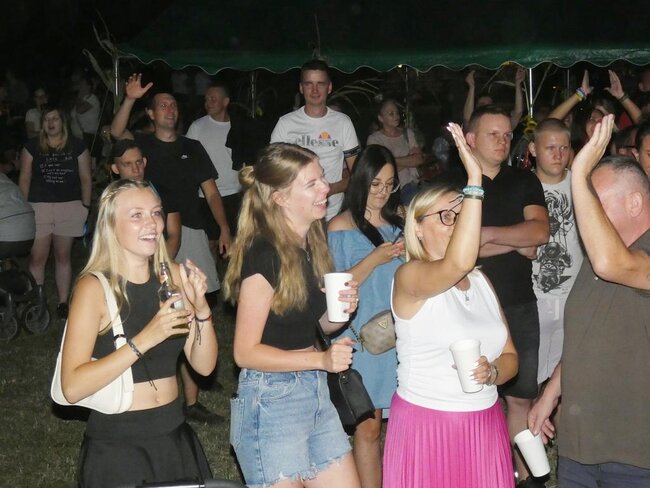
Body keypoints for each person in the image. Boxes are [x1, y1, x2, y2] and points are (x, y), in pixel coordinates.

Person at [383, 123, 518, 488]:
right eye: (446, 217)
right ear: (418, 227)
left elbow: (510, 356)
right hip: (429, 424)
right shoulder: (410, 277)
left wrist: (492, 372)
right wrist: (474, 181)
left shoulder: (481, 281)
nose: (458, 224)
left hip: (484, 421)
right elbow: (456, 263)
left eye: (462, 217)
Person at [58, 178, 216, 487]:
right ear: (110, 225)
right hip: (118, 446)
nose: (152, 223)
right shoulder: (94, 288)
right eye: (136, 215)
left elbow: (204, 366)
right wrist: (145, 339)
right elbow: (72, 388)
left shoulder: (173, 277)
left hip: (174, 437)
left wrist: (201, 310)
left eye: (156, 212)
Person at [224, 143, 361, 488]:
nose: (326, 187)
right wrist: (321, 360)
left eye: (322, 178)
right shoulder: (264, 253)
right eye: (311, 183)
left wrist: (341, 309)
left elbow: (318, 324)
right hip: (271, 400)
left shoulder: (309, 244)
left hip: (314, 392)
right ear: (280, 198)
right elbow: (245, 353)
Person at [528, 114, 650, 487]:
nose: (585, 214)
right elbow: (586, 336)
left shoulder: (620, 257)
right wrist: (551, 393)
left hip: (634, 451)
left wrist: (578, 174)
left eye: (594, 202)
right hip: (580, 445)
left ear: (634, 203)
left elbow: (614, 264)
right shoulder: (594, 259)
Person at [464, 104, 549, 487]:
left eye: (507, 135)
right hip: (467, 306)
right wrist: (514, 239)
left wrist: (484, 235)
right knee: (472, 398)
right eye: (492, 134)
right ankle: (482, 475)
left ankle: (526, 477)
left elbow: (539, 234)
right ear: (470, 139)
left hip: (518, 302)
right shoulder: (454, 182)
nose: (502, 141)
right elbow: (454, 248)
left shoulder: (524, 181)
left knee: (520, 398)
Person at [110, 138, 223, 425]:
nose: (136, 168)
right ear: (115, 168)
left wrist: (161, 272)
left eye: (139, 162)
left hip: (160, 268)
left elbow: (173, 235)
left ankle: (191, 401)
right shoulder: (110, 201)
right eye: (127, 164)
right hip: (126, 275)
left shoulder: (160, 192)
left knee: (179, 329)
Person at [110, 73, 232, 298]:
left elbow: (212, 193)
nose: (170, 110)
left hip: (190, 226)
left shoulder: (193, 147)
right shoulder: (142, 143)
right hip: (150, 227)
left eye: (173, 105)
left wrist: (224, 227)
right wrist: (130, 99)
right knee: (154, 293)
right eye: (163, 106)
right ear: (151, 113)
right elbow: (116, 132)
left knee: (199, 293)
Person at [327, 144, 405, 488]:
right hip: (362, 336)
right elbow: (335, 287)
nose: (382, 192)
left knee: (401, 424)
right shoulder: (340, 226)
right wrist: (375, 258)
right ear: (361, 181)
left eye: (389, 184)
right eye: (376, 184)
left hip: (401, 334)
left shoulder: (400, 222)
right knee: (369, 426)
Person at [18, 105, 92, 319]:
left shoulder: (77, 146)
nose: (51, 123)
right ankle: (37, 301)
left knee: (63, 256)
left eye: (55, 119)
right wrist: (23, 208)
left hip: (69, 207)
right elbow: (24, 178)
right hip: (38, 207)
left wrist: (85, 207)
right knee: (37, 257)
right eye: (46, 119)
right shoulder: (31, 146)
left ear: (63, 122)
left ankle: (63, 302)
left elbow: (86, 178)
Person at [528, 119, 584, 385]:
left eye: (564, 147)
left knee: (567, 379)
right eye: (550, 148)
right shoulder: (522, 186)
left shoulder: (582, 183)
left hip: (575, 294)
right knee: (532, 381)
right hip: (534, 296)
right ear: (533, 149)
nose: (558, 155)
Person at [270, 59, 361, 221]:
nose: (314, 90)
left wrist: (331, 188)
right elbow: (273, 171)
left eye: (320, 84)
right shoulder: (286, 123)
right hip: (294, 215)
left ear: (329, 87)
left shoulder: (343, 122)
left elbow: (359, 173)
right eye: (309, 84)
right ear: (301, 88)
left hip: (332, 215)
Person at [367, 99, 424, 204]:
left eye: (397, 113)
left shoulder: (407, 134)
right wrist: (408, 159)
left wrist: (389, 160)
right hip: (386, 190)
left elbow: (418, 159)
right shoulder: (374, 139)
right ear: (381, 118)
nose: (396, 116)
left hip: (409, 186)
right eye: (391, 113)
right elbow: (378, 168)